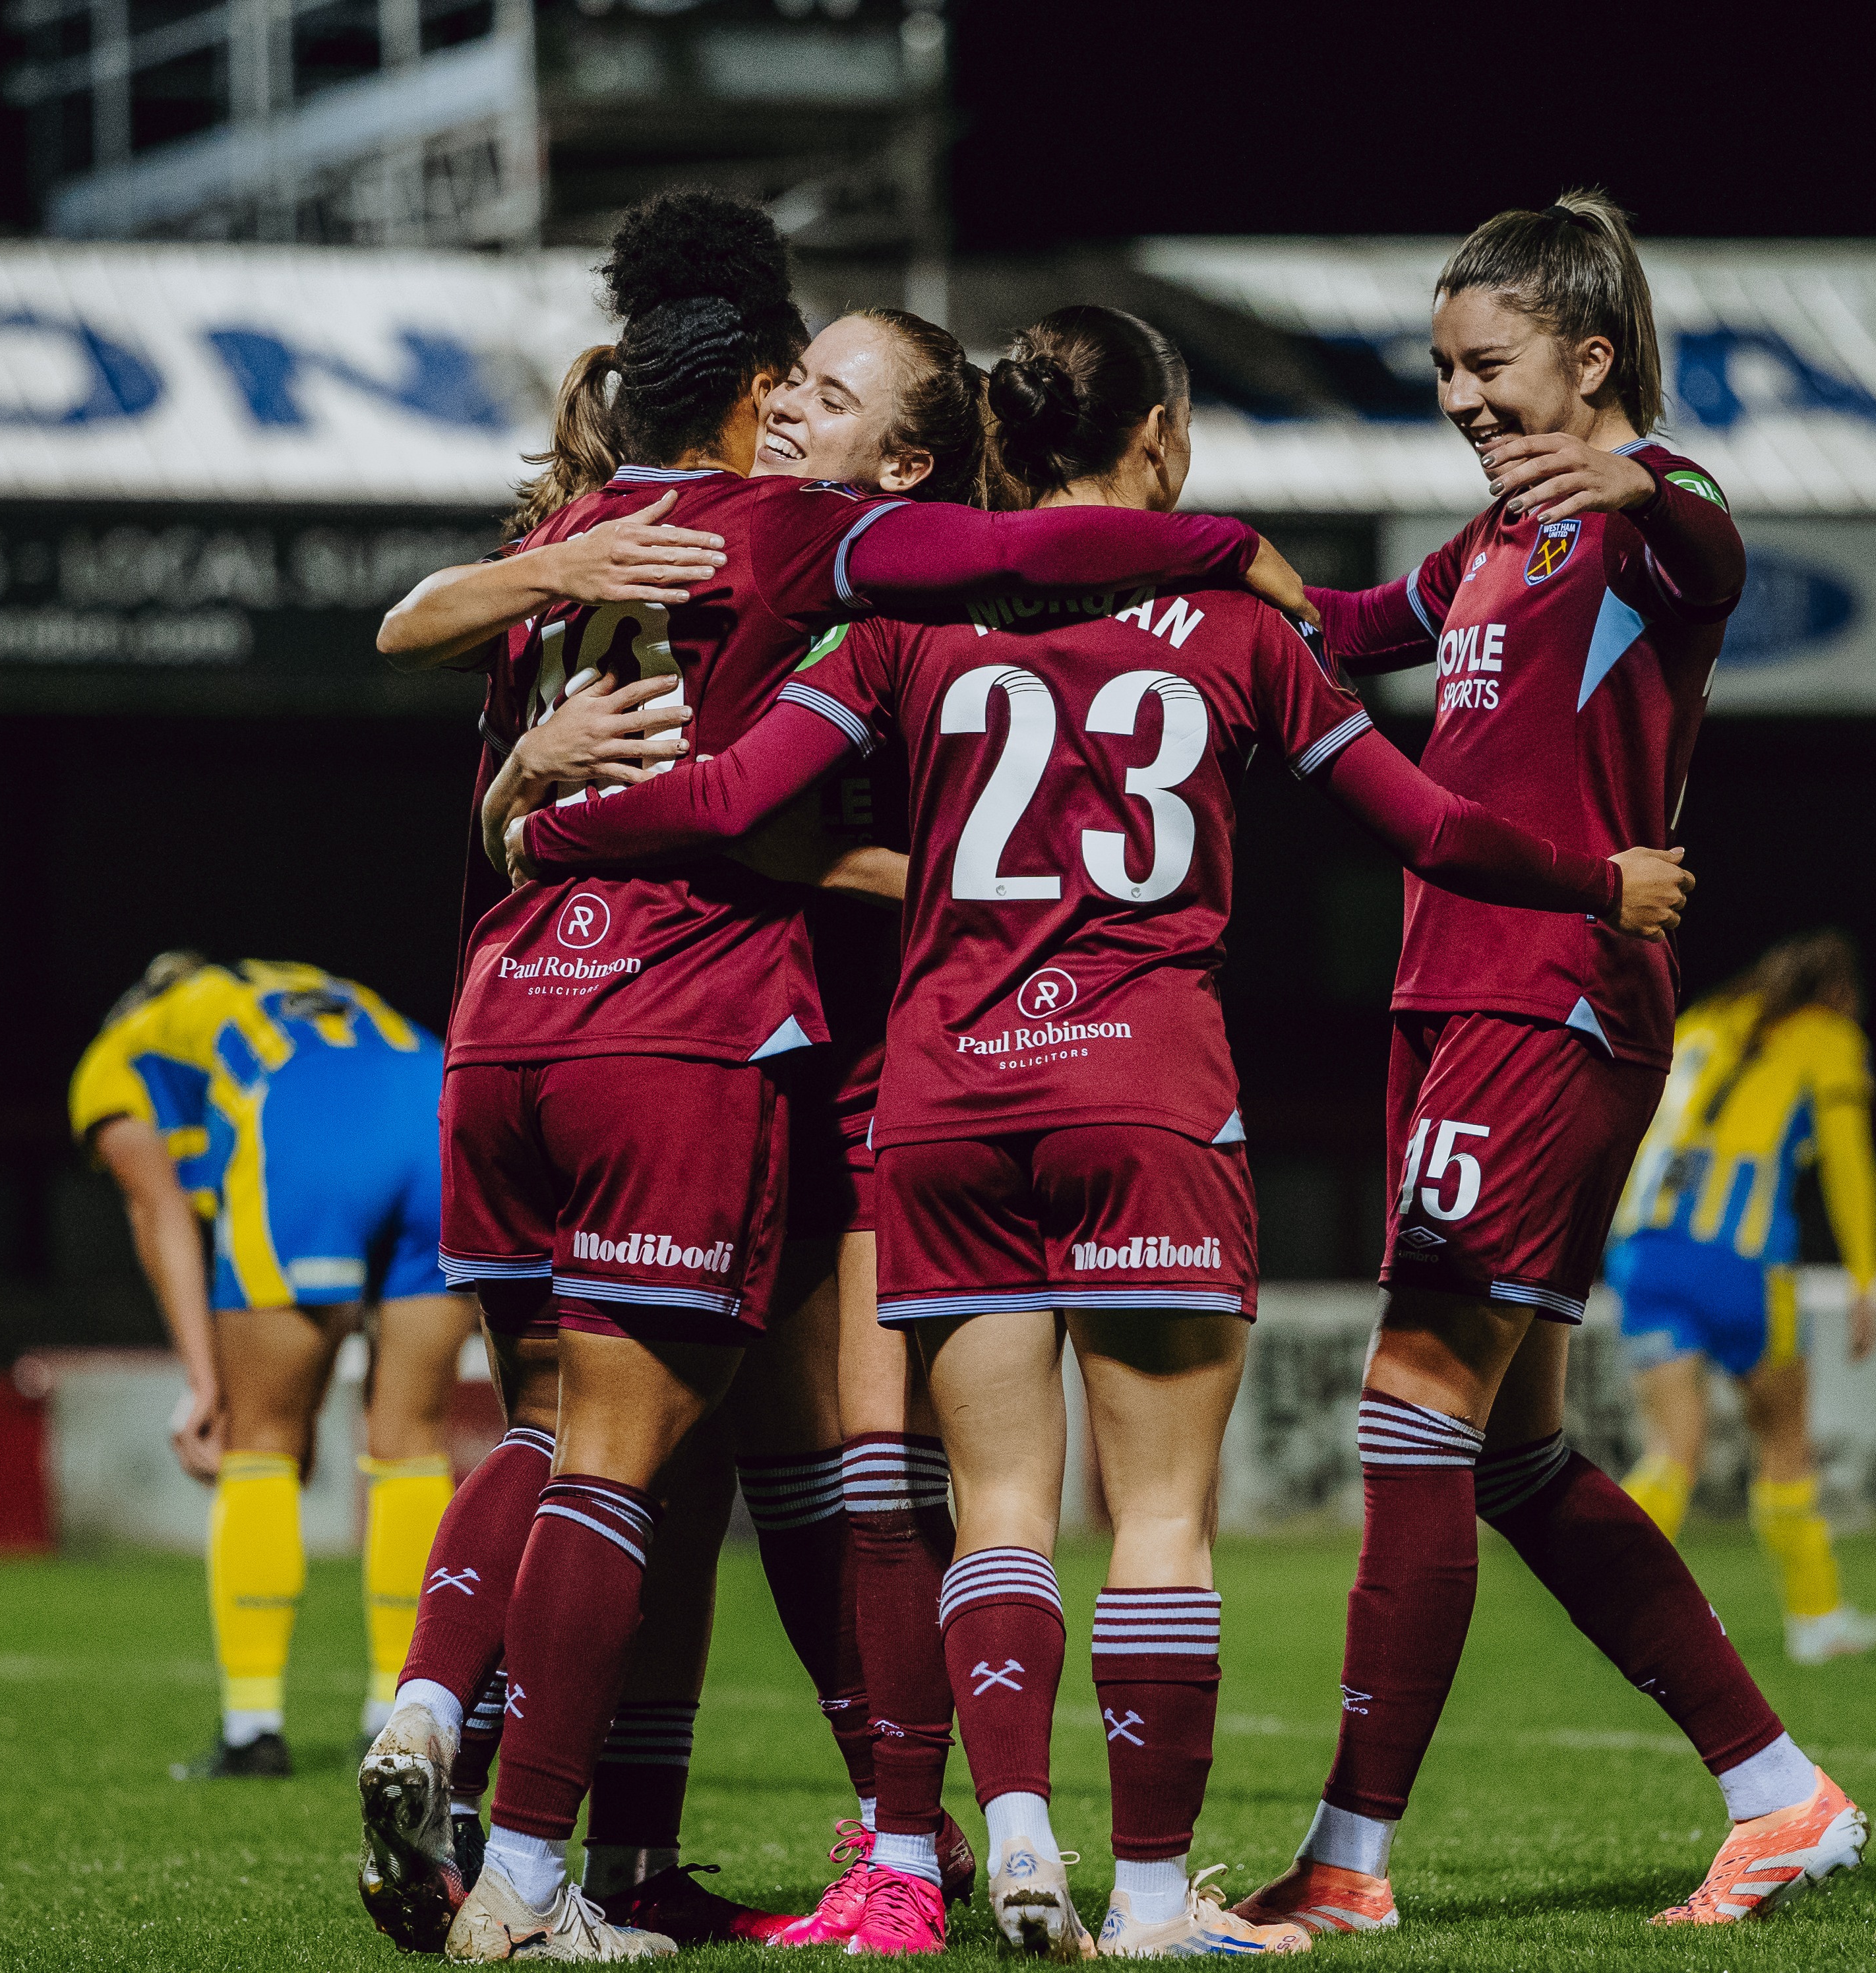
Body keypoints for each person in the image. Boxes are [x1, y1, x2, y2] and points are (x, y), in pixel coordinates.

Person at [513, 301, 1682, 1958]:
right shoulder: (1230, 628)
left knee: (989, 1505)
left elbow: (724, 799)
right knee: (1157, 1519)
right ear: (1155, 440)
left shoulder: (904, 620)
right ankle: (1145, 1899)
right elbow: (1423, 827)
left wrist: (546, 817)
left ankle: (1010, 1840)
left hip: (943, 1103)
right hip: (1144, 1095)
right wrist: (1597, 881)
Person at [362, 190, 1312, 1964]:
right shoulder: (784, 554)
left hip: (838, 1056)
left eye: (840, 386)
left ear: (920, 452)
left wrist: (533, 795)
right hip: (724, 1042)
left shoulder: (850, 574)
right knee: (695, 1462)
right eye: (792, 375)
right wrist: (1271, 573)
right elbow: (745, 810)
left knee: (803, 1471)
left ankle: (788, 1830)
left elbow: (466, 662)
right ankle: (585, 1840)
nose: (801, 403)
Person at [1229, 190, 1869, 1938]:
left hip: (1545, 996)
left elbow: (1720, 549)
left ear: (1588, 361)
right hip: (1477, 997)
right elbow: (1358, 624)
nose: (1461, 396)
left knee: (1412, 1411)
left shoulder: (1648, 522)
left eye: (1489, 363)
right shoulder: (1494, 544)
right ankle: (1778, 1792)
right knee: (1511, 1457)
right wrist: (1190, 551)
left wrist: (1645, 481)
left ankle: (1350, 1866)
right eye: (1444, 368)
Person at [69, 954, 471, 1778]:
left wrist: (208, 1381)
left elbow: (161, 1212)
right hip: (443, 1099)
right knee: (411, 1437)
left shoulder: (117, 1052)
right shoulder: (288, 985)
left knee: (259, 1439)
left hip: (300, 1118)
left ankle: (253, 1727)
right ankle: (399, 1717)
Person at [1606, 928, 1876, 1665]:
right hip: (1739, 1262)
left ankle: (1596, 1593)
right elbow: (1848, 1163)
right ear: (1835, 993)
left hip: (1641, 1249)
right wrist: (1865, 1279)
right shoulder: (1826, 1038)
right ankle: (1817, 1620)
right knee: (1784, 1440)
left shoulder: (1700, 1024)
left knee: (1672, 1451)